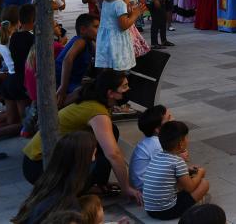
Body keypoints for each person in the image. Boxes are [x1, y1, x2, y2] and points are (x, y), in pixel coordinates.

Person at [22, 70, 142, 204]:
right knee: (105, 153)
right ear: (110, 93)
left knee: (110, 131)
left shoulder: (92, 98)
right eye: (124, 86)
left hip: (36, 161)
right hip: (40, 167)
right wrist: (126, 188)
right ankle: (78, 188)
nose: (128, 89)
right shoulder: (97, 112)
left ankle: (95, 184)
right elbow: (113, 154)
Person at [12, 131, 97, 224]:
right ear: (82, 164)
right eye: (93, 155)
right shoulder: (66, 208)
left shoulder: (47, 189)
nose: (95, 159)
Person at [143, 121, 209, 220]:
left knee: (182, 180)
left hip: (150, 210)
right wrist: (200, 173)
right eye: (186, 137)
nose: (188, 140)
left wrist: (187, 170)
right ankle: (194, 208)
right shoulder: (177, 161)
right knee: (204, 183)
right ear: (181, 143)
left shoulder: (157, 156)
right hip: (167, 211)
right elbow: (190, 188)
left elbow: (167, 173)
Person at [95, 0, 147, 71]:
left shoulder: (107, 1)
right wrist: (135, 14)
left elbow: (113, 18)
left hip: (108, 42)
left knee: (110, 69)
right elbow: (123, 25)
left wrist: (128, 12)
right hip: (117, 43)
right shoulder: (119, 4)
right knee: (119, 70)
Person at [2, 3, 34, 129]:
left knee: (11, 121)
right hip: (21, 83)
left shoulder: (14, 36)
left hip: (9, 81)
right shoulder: (32, 39)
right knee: (24, 124)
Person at [56, 14, 100, 107]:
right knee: (86, 92)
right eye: (96, 27)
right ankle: (55, 108)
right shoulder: (81, 41)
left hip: (73, 80)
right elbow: (67, 60)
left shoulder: (90, 43)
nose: (99, 30)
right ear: (83, 30)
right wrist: (63, 87)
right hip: (62, 81)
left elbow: (98, 61)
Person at [130, 105, 173, 190]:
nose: (173, 119)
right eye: (169, 119)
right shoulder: (157, 145)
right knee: (200, 184)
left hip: (143, 185)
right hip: (148, 190)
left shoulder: (150, 141)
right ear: (158, 129)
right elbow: (168, 170)